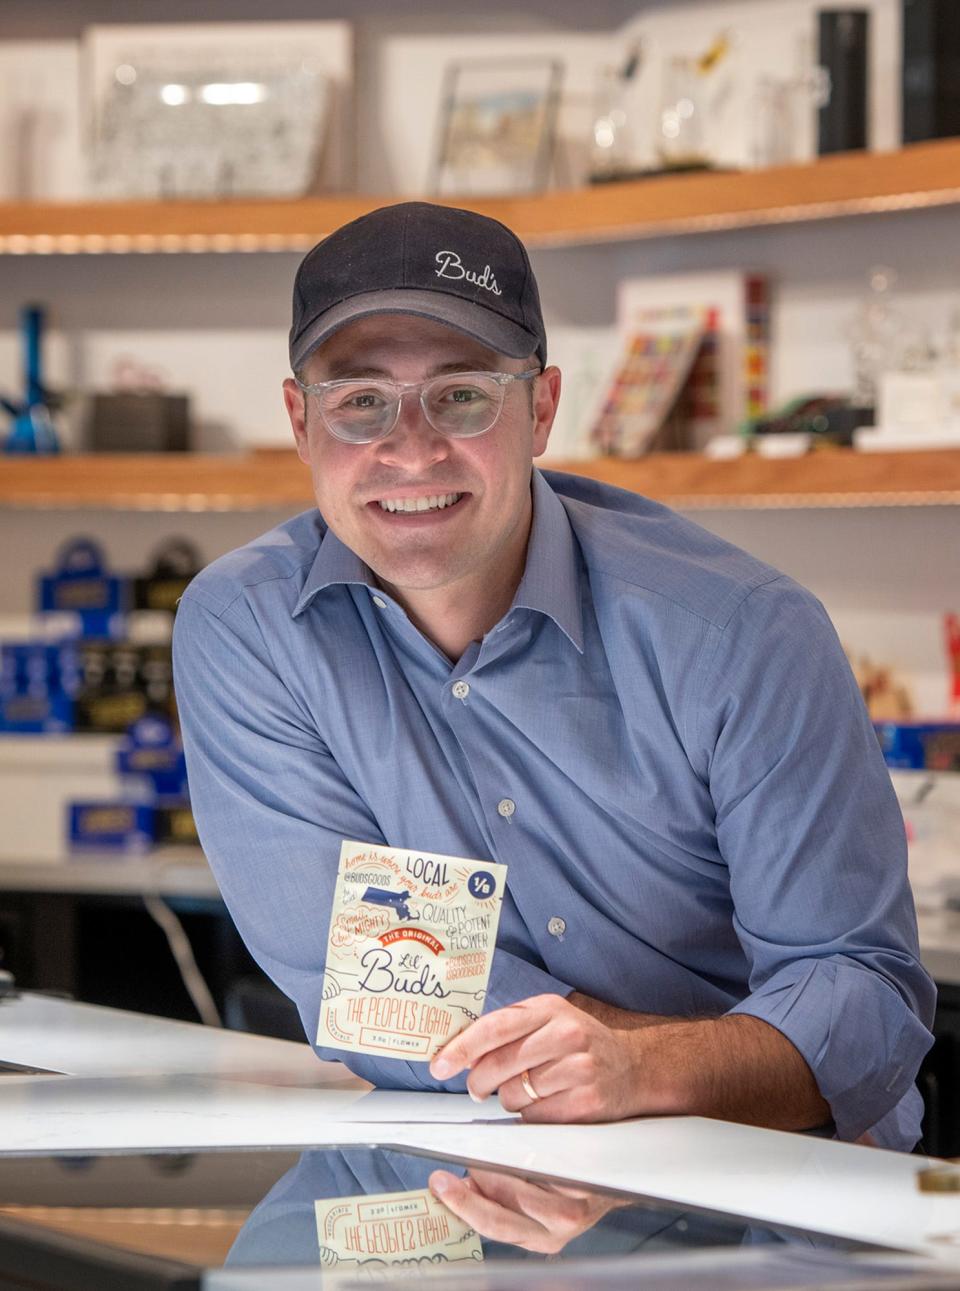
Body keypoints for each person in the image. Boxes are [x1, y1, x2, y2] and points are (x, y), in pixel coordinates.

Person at [172, 201, 934, 1154]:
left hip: (774, 1172)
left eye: (462, 395)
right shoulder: (247, 628)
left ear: (541, 408)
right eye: (359, 400)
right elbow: (368, 995)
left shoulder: (743, 633)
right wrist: (665, 1054)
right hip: (482, 1172)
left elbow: (861, 996)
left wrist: (650, 1071)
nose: (410, 449)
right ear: (299, 420)